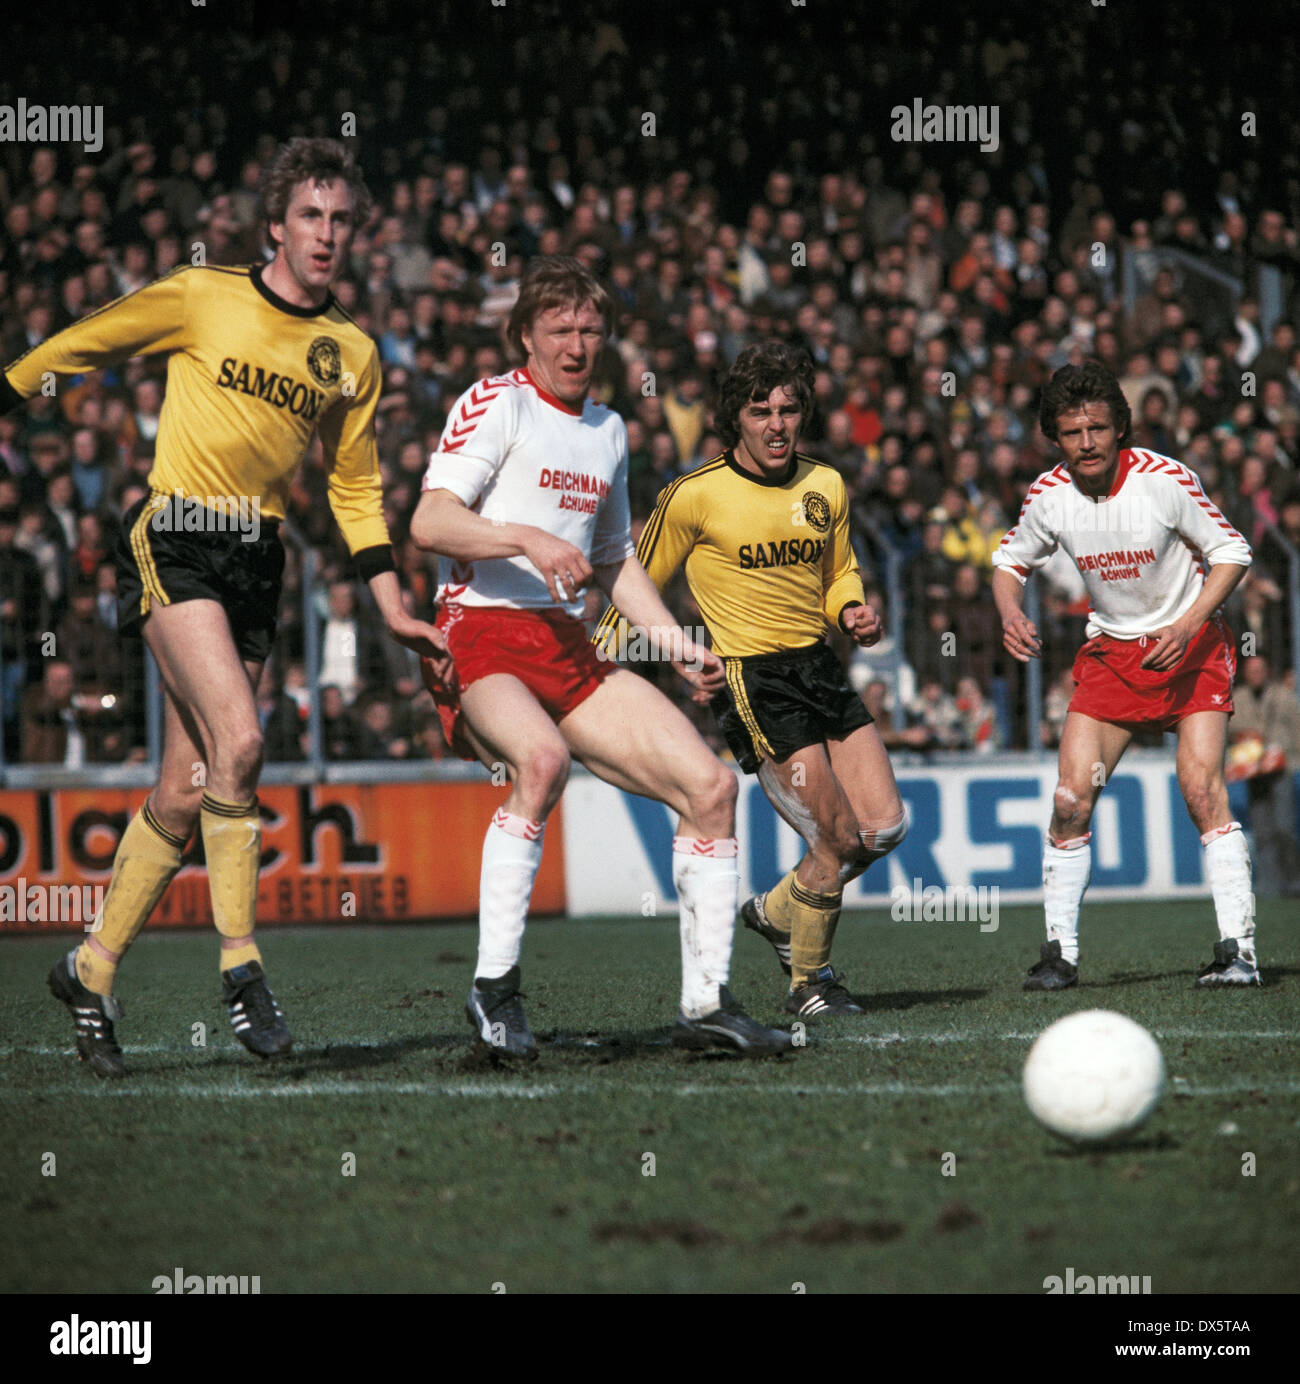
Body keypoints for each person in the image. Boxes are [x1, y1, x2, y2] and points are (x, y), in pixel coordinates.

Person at [0, 138, 444, 1077]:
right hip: (175, 536)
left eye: (341, 220)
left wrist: (394, 606)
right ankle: (242, 967)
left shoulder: (353, 354)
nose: (326, 235)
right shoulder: (204, 294)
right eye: (310, 217)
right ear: (276, 225)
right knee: (241, 743)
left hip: (257, 561)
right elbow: (90, 338)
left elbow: (355, 491)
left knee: (187, 786)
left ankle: (91, 967)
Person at [410, 256, 792, 1059]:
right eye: (560, 329)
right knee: (541, 761)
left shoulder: (611, 428)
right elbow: (430, 521)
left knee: (712, 786)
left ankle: (705, 1005)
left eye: (591, 329)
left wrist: (678, 643)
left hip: (565, 645)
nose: (578, 343)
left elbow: (617, 561)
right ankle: (494, 993)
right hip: (481, 632)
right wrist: (525, 536)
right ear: (525, 335)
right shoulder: (497, 403)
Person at [594, 343, 908, 1019]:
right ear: (733, 418)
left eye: (789, 409)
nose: (776, 424)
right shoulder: (694, 495)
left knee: (884, 828)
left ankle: (771, 912)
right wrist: (592, 676)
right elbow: (633, 588)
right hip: (752, 681)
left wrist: (849, 606)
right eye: (760, 410)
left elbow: (838, 571)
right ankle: (809, 982)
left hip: (820, 667)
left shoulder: (825, 485)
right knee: (838, 838)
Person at [991, 361, 1257, 988]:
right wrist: (1008, 611)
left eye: (1097, 429)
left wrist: (1189, 624)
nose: (1086, 443)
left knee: (1201, 790)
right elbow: (1009, 559)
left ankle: (1238, 953)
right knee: (1069, 799)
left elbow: (1232, 552)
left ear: (1120, 430)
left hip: (1189, 653)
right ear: (1055, 438)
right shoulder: (1048, 492)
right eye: (1071, 432)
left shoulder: (1166, 480)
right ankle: (1059, 956)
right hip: (1113, 658)